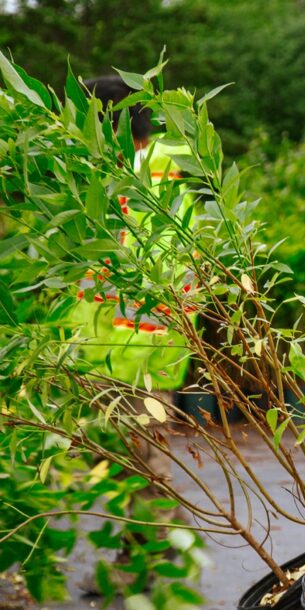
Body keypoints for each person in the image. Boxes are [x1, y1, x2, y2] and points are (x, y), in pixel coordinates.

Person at [69, 74, 193, 594]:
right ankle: (168, 541)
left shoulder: (156, 179)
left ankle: (149, 558)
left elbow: (171, 270)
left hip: (139, 354)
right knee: (114, 461)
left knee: (140, 465)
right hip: (103, 353)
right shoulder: (103, 177)